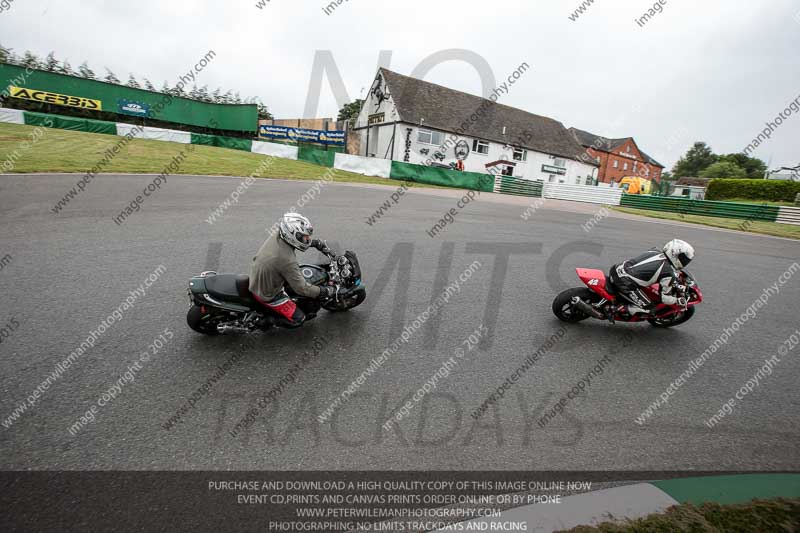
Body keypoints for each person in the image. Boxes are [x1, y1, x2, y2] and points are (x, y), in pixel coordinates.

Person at [249, 212, 336, 328]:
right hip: (267, 294)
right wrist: (324, 291)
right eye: (304, 237)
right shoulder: (287, 260)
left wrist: (314, 243)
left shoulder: (279, 234)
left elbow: (295, 240)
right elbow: (302, 289)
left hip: (262, 272)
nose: (307, 239)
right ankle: (265, 322)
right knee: (299, 319)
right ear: (292, 235)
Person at [609, 239, 695, 317]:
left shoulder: (655, 250)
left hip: (617, 268)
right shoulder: (668, 273)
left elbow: (653, 267)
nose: (684, 262)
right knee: (650, 309)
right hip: (624, 282)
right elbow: (665, 299)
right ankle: (614, 310)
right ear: (675, 253)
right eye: (683, 259)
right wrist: (678, 301)